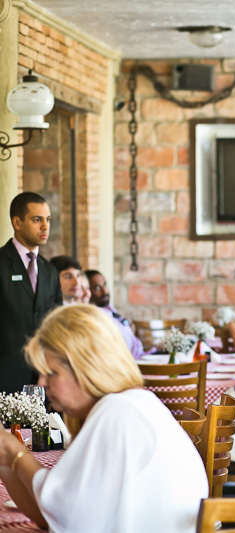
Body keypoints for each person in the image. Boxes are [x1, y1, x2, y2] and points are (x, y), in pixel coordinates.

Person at [0, 304, 208, 532]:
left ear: (87, 367)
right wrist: (7, 460)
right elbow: (51, 515)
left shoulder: (117, 412)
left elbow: (68, 516)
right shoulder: (133, 403)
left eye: (51, 373)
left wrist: (15, 452)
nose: (41, 382)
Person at [0, 192, 62, 394]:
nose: (45, 227)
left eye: (48, 220)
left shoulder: (50, 271)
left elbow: (57, 324)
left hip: (42, 382)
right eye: (37, 220)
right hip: (5, 379)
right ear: (17, 223)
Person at [85, 269, 144, 359]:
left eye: (105, 285)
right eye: (97, 288)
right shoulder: (94, 316)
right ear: (87, 291)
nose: (104, 291)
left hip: (140, 356)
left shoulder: (109, 309)